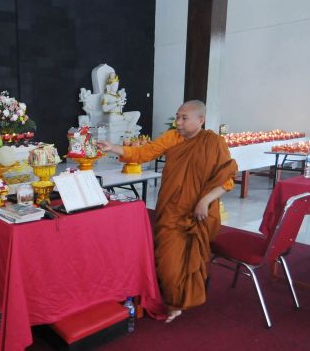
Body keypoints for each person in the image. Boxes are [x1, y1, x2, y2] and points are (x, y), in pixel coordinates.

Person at [97, 100, 238, 322]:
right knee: (168, 259)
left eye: (184, 118)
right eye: (177, 117)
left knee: (194, 255)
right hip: (172, 209)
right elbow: (144, 153)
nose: (178, 122)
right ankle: (175, 299)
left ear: (200, 120)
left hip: (200, 212)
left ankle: (179, 301)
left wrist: (205, 200)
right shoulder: (172, 138)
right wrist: (113, 148)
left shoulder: (214, 142)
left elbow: (227, 179)